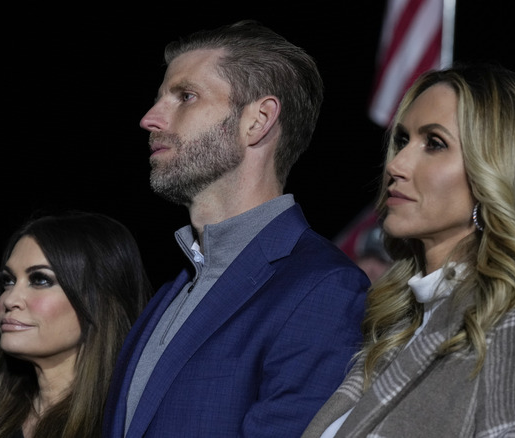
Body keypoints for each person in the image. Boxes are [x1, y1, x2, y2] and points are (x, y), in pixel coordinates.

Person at [104, 20, 371, 437]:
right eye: (160, 99)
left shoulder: (324, 289)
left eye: (186, 97)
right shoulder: (172, 292)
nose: (150, 118)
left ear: (258, 120)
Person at [301, 64, 515, 437]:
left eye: (435, 143)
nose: (396, 164)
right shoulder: (396, 331)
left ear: (496, 172)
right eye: (403, 140)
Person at [0, 211, 152, 438]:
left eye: (40, 280)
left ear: (100, 300)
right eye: (8, 281)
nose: (9, 299)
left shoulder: (127, 424)